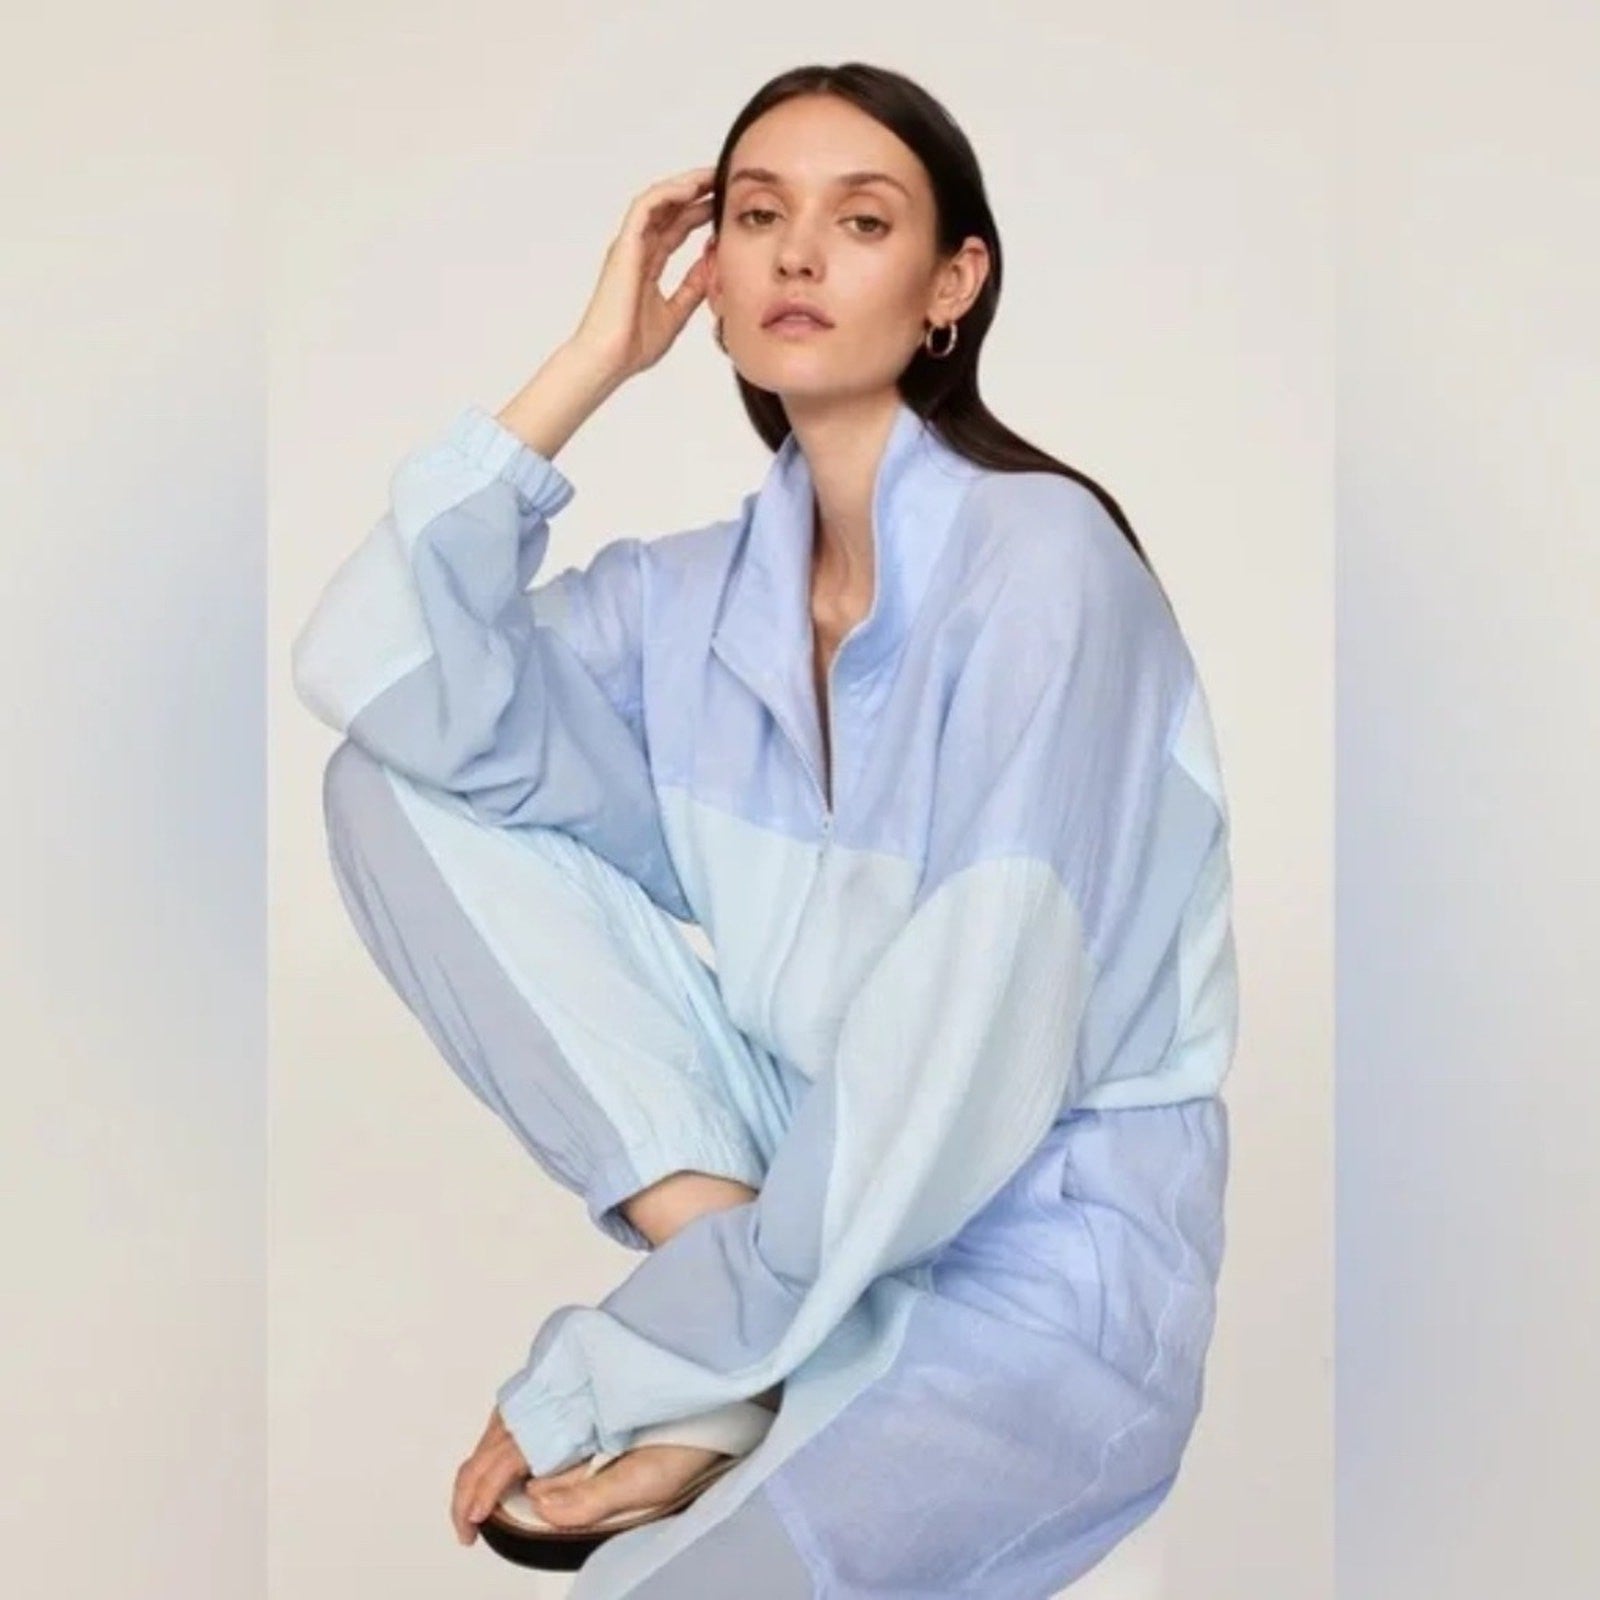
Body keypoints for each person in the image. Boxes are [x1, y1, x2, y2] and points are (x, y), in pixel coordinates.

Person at [291, 59, 1239, 1600]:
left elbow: (963, 1058)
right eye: (754, 217)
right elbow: (376, 672)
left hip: (1037, 1285)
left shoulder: (1045, 569)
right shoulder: (688, 603)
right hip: (805, 1219)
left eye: (861, 221)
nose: (798, 254)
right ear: (709, 270)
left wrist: (651, 1353)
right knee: (386, 783)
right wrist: (592, 361)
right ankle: (744, 1331)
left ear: (951, 284)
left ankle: (742, 1340)